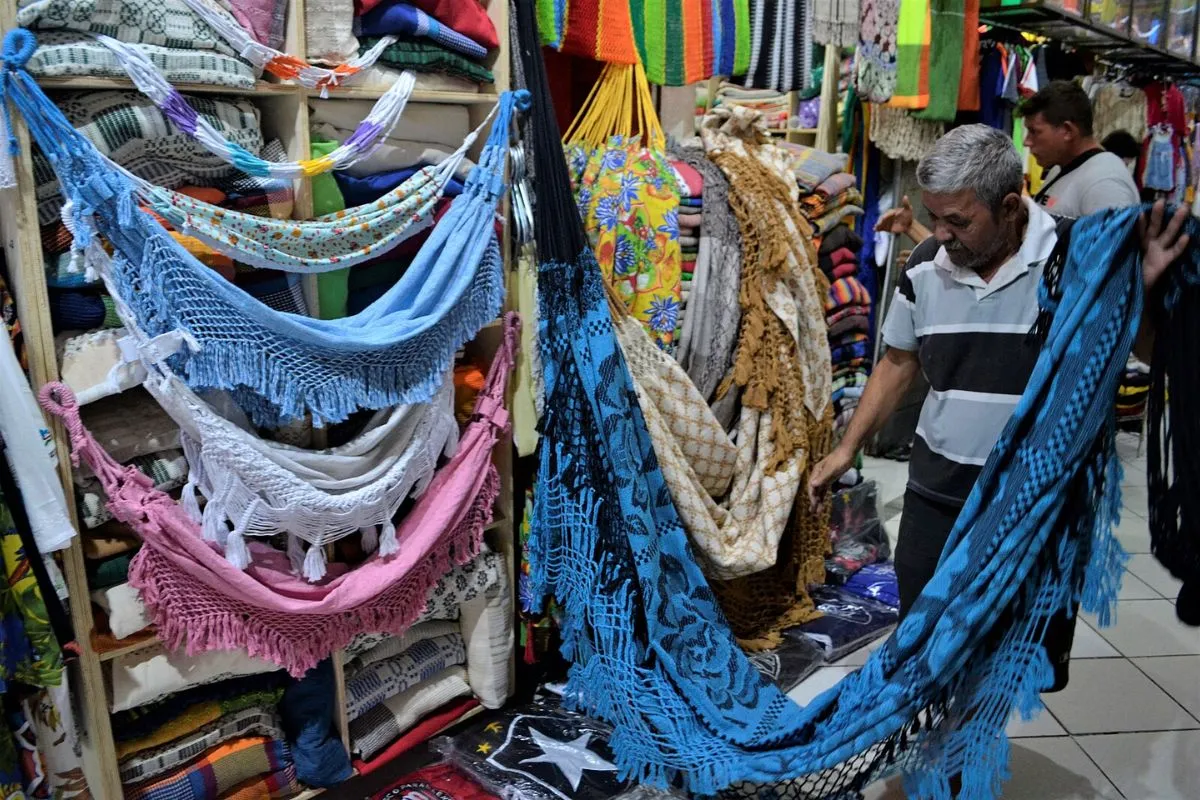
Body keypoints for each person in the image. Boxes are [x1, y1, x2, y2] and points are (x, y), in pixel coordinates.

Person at [808, 125, 1187, 651]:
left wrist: (1141, 291)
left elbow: (1144, 352)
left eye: (957, 221)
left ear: (1010, 206)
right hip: (936, 495)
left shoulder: (1079, 257)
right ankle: (942, 728)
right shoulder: (924, 266)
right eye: (933, 216)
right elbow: (898, 361)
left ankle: (975, 730)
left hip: (1035, 503)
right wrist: (846, 448)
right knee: (924, 640)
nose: (939, 232)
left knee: (1012, 651)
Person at [1019, 80, 1140, 217]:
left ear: (1068, 131)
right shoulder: (1060, 168)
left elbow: (1111, 238)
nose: (1026, 142)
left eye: (1034, 132)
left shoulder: (1105, 184)